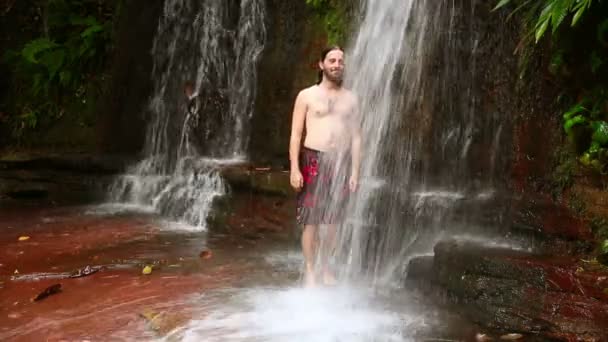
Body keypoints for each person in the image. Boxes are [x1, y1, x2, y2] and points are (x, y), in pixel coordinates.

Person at [289, 46, 361, 287]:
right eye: (332, 60)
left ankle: (327, 267)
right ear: (321, 65)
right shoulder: (306, 95)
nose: (337, 64)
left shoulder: (352, 99)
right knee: (311, 220)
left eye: (341, 60)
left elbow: (357, 137)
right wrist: (294, 168)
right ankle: (310, 269)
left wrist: (355, 172)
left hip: (341, 161)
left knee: (333, 222)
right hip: (312, 160)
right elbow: (296, 135)